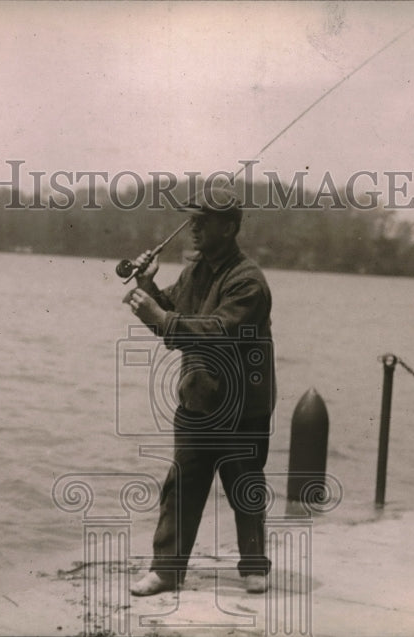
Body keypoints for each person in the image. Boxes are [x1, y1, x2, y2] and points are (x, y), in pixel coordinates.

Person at [123, 183, 276, 596]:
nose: (193, 227)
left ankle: (254, 566)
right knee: (181, 487)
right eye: (192, 219)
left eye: (202, 221)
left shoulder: (249, 282)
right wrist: (148, 286)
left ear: (228, 227)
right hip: (197, 400)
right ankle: (166, 570)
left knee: (245, 488)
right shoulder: (195, 271)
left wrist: (160, 317)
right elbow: (172, 311)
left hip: (242, 408)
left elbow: (217, 332)